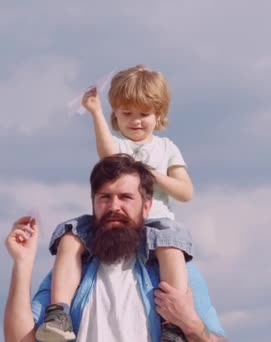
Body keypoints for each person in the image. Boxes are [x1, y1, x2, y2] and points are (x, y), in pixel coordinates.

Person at [42, 65, 195, 341]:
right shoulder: (117, 145)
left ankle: (173, 324)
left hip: (156, 221)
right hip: (116, 221)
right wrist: (95, 112)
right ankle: (59, 312)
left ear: (158, 114)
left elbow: (185, 191)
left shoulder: (167, 148)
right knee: (70, 235)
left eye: (144, 114)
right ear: (116, 115)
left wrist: (153, 176)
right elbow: (108, 157)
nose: (135, 121)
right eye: (127, 114)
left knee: (173, 245)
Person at [4, 154, 226, 342]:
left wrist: (191, 324)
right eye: (105, 197)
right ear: (93, 204)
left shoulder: (172, 267)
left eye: (126, 197)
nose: (114, 207)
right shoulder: (71, 271)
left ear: (146, 206)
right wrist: (22, 263)